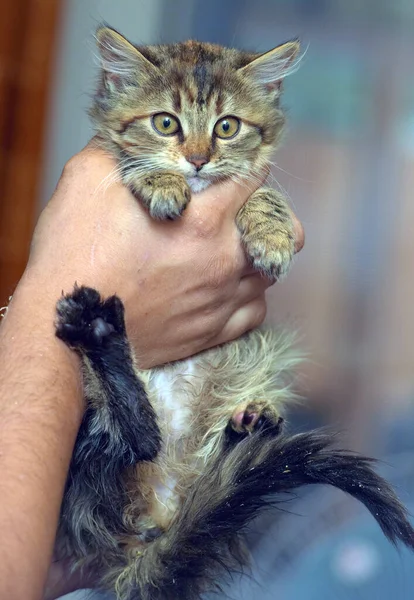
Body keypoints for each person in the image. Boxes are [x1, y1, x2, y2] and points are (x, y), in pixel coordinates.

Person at [0, 142, 304, 600]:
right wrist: (45, 313)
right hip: (133, 484)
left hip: (148, 479)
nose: (198, 152)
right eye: (167, 123)